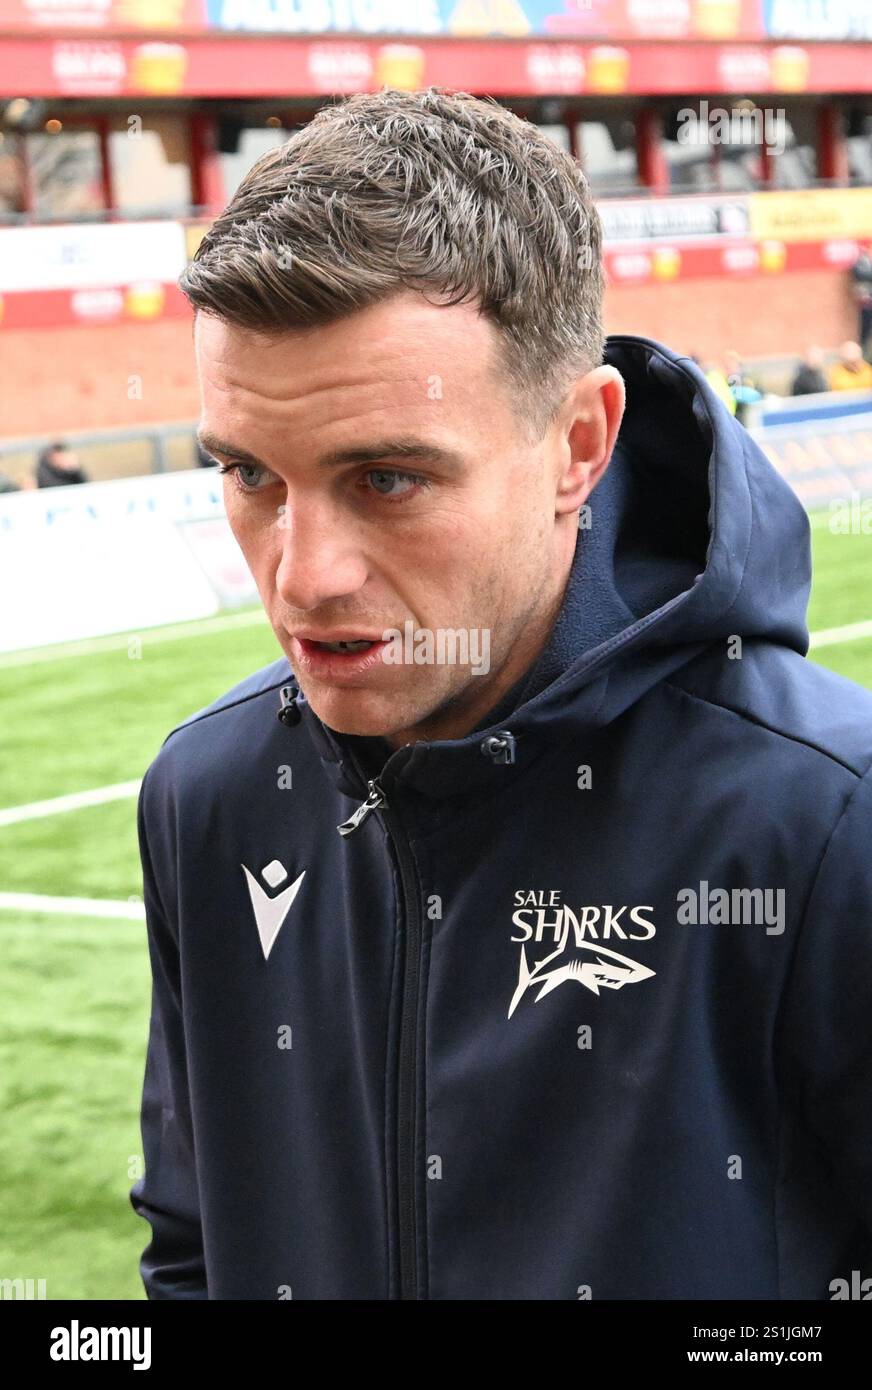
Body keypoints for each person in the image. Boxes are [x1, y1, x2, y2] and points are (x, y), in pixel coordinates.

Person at [130, 88, 872, 1301]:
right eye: (249, 473)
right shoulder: (205, 795)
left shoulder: (821, 819)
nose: (302, 575)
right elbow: (194, 1247)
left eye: (386, 477)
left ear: (577, 443)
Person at [850, 241, 872, 357]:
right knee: (865, 327)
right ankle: (863, 351)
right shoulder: (859, 264)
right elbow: (861, 274)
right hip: (865, 302)